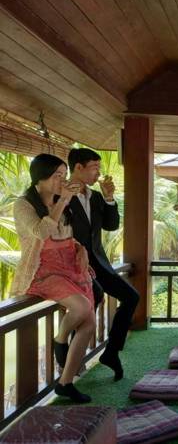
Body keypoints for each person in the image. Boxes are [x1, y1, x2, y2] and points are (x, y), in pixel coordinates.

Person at [12, 154, 95, 403]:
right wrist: (65, 200)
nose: (63, 180)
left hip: (71, 266)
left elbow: (66, 236)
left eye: (63, 175)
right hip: (43, 270)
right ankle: (60, 339)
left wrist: (81, 248)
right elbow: (41, 232)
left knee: (89, 323)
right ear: (41, 178)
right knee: (81, 307)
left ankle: (65, 382)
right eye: (57, 176)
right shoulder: (23, 204)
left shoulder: (61, 201)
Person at [68, 148, 139, 381]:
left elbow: (111, 225)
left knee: (131, 297)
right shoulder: (61, 195)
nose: (98, 173)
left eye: (99, 168)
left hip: (98, 263)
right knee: (92, 300)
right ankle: (71, 360)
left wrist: (109, 198)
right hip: (74, 264)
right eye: (94, 167)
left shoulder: (96, 196)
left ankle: (111, 352)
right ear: (78, 167)